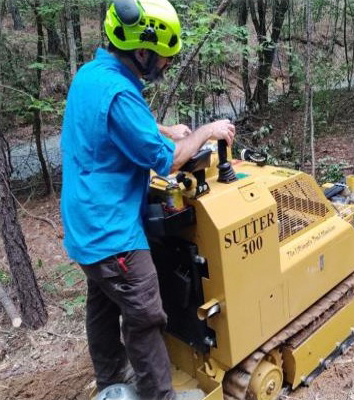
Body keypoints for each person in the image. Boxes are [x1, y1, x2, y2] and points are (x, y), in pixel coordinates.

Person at [60, 1, 235, 399]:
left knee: (103, 306)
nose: (165, 66)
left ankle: (111, 383)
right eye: (163, 59)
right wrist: (206, 131)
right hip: (113, 234)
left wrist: (166, 128)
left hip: (84, 229)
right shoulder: (120, 93)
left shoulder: (93, 75)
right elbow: (168, 161)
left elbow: (121, 120)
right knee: (145, 316)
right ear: (142, 52)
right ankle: (159, 394)